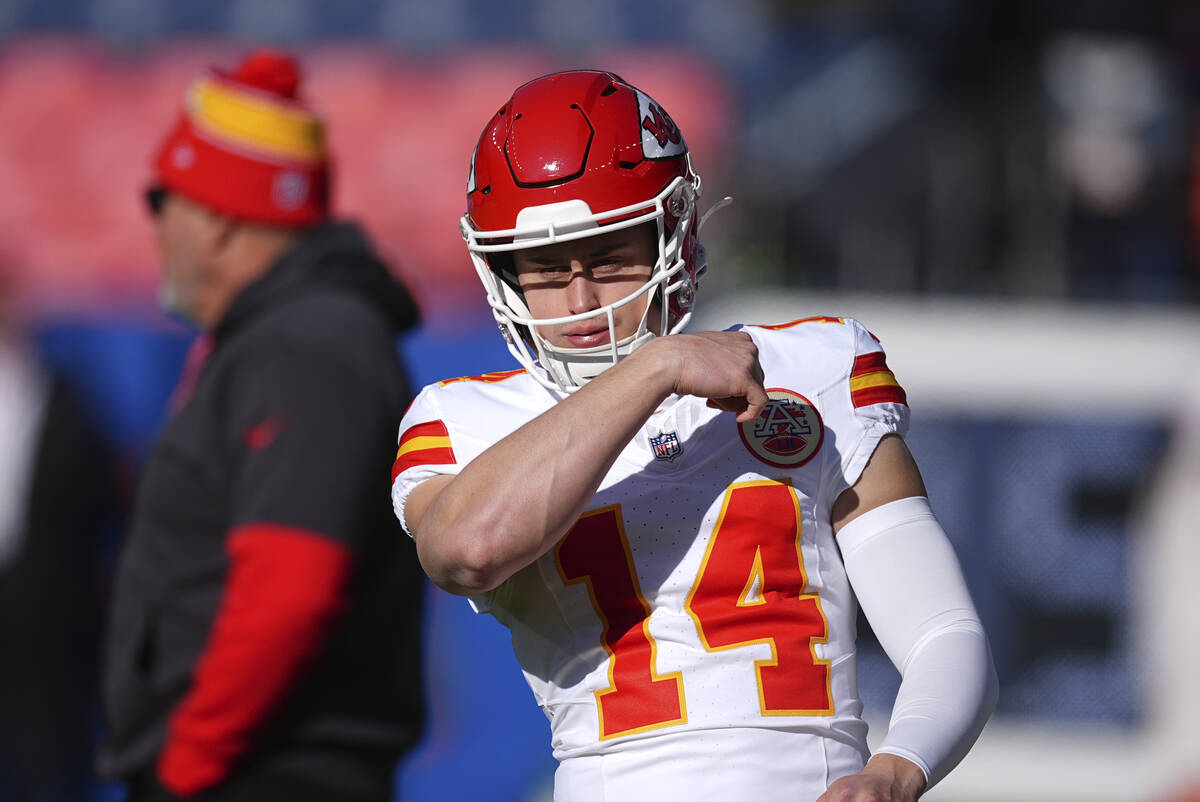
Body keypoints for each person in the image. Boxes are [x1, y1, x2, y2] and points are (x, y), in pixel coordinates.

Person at [391, 70, 998, 802]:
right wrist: (654, 370)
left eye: (610, 258)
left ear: (673, 231)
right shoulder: (464, 419)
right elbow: (467, 551)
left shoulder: (815, 367)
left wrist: (898, 769)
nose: (581, 302)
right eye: (547, 269)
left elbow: (944, 631)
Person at [98, 51, 425, 802]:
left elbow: (292, 582)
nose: (156, 230)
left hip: (265, 775)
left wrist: (188, 765)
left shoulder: (309, 342)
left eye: (163, 201)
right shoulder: (286, 335)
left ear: (214, 219)